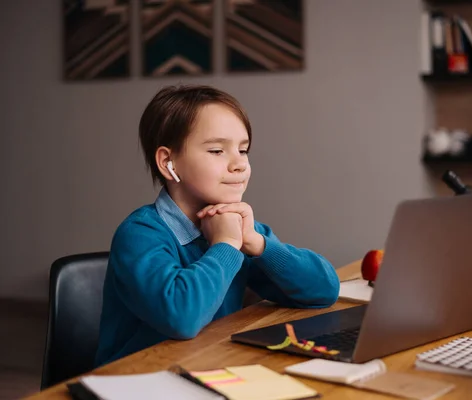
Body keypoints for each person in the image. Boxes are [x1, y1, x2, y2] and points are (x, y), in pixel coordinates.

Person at [94, 85, 340, 366]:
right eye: (216, 150)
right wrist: (225, 245)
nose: (239, 165)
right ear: (168, 162)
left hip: (209, 365)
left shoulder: (238, 228)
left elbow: (324, 291)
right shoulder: (140, 233)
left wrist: (258, 244)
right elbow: (181, 318)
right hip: (137, 381)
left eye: (243, 150)